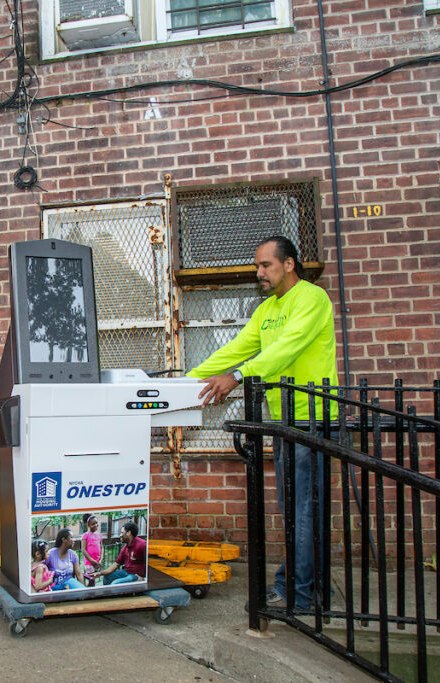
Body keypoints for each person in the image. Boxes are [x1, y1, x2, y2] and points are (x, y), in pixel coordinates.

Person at [187, 235, 338, 610]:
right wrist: (184, 383)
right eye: (258, 266)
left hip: (313, 421)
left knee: (305, 512)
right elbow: (236, 349)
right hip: (285, 421)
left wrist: (237, 377)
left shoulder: (311, 299)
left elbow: (285, 348)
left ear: (289, 264)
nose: (259, 273)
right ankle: (303, 588)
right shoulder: (267, 309)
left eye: (266, 265)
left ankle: (300, 595)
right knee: (295, 511)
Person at [80, 515, 103, 584]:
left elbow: (101, 548)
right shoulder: (85, 535)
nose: (95, 525)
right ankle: (88, 591)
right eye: (93, 524)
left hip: (97, 562)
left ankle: (90, 591)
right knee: (91, 579)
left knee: (94, 579)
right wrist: (92, 561)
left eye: (96, 523)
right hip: (90, 563)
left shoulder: (99, 535)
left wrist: (100, 560)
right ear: (88, 525)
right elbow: (83, 550)